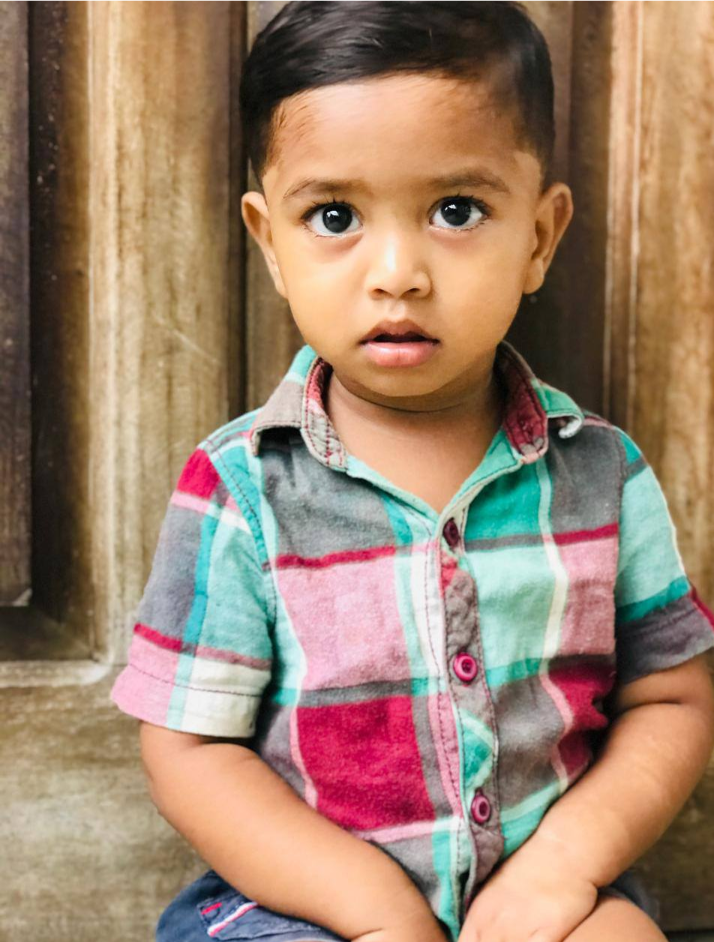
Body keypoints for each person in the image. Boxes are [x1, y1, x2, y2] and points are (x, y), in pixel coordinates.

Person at [110, 1, 714, 940]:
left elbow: (672, 698)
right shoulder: (243, 489)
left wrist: (562, 868)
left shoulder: (601, 474)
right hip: (303, 908)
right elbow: (189, 751)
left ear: (540, 237)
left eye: (456, 211)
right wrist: (376, 912)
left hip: (540, 895)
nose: (397, 273)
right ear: (271, 243)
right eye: (335, 217)